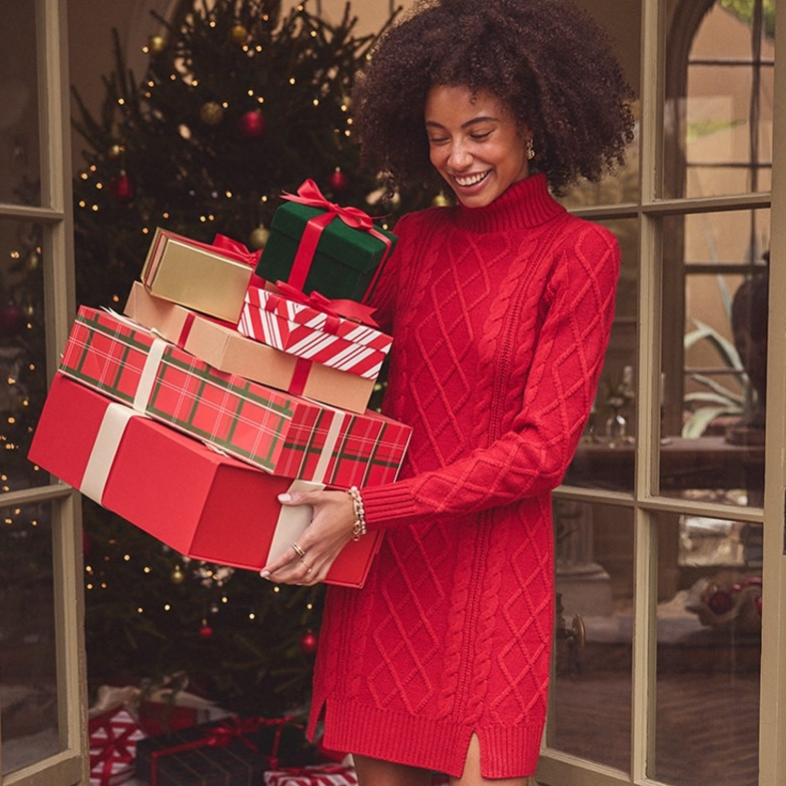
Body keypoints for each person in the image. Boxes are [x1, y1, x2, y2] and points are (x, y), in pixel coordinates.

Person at [261, 0, 634, 783]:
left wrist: (366, 509)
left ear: (533, 125)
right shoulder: (417, 240)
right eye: (437, 136)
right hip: (387, 576)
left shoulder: (579, 254)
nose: (456, 157)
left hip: (488, 587)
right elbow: (331, 360)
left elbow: (540, 455)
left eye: (479, 131)